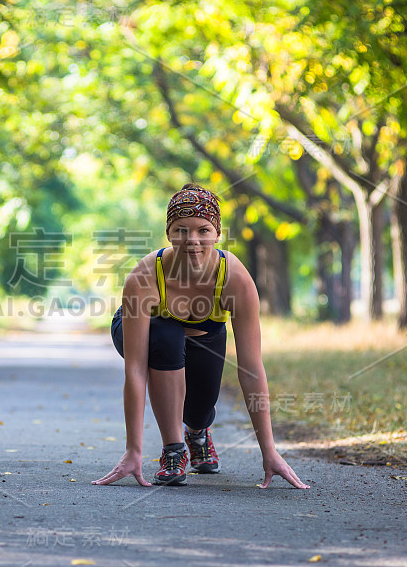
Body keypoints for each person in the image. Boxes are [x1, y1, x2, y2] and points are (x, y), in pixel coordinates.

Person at [92, 183, 309, 489]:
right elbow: (137, 370)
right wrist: (133, 449)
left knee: (201, 408)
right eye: (180, 230)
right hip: (144, 331)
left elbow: (251, 369)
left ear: (217, 233)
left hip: (205, 333)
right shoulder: (144, 277)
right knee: (166, 338)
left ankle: (197, 432)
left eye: (202, 230)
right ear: (168, 233)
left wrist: (269, 450)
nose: (191, 240)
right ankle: (173, 450)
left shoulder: (235, 279)